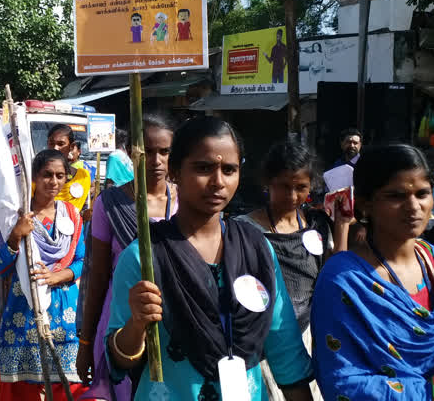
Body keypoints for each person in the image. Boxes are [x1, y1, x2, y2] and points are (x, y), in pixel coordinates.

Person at [106, 116, 313, 401]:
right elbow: (120, 360)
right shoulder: (144, 255)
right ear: (175, 172)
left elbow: (285, 347)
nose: (218, 182)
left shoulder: (256, 249)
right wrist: (137, 325)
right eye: (203, 168)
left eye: (229, 170)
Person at [311, 144, 434, 398]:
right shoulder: (342, 280)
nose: (414, 206)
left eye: (423, 193)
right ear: (366, 203)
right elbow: (342, 380)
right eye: (396, 196)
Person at [234, 141, 349, 400]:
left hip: (308, 335)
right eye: (284, 186)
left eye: (301, 188)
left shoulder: (317, 226)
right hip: (263, 339)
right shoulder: (243, 230)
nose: (293, 196)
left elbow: (335, 276)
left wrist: (341, 225)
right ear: (268, 183)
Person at [77, 114, 177, 400]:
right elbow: (97, 279)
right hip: (121, 322)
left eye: (165, 151)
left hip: (175, 323)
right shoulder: (108, 205)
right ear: (131, 152)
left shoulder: (186, 202)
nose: (156, 160)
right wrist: (85, 344)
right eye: (147, 151)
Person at [0, 149, 88, 401]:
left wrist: (59, 275)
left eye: (60, 176)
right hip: (24, 309)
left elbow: (81, 261)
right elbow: (1, 266)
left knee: (68, 383)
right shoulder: (17, 215)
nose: (53, 182)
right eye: (47, 175)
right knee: (21, 387)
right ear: (34, 177)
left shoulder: (72, 215)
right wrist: (15, 235)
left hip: (64, 311)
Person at [47, 124, 91, 210]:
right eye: (51, 143)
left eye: (61, 144)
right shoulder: (36, 176)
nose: (55, 148)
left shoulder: (82, 176)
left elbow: (84, 209)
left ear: (71, 146)